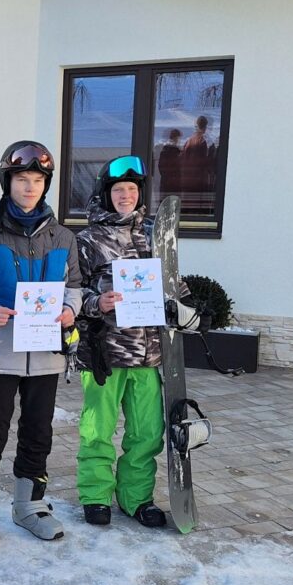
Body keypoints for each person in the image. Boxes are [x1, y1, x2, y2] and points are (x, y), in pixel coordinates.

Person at [74, 155, 206, 528]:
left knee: (147, 433)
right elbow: (72, 292)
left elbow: (171, 283)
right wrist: (97, 302)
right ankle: (96, 495)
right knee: (98, 430)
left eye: (132, 189)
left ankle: (136, 497)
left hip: (149, 355)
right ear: (106, 194)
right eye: (119, 189)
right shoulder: (87, 240)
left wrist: (187, 305)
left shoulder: (154, 234)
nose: (126, 196)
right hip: (105, 352)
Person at [0, 141, 82, 549]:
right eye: (21, 179)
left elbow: (75, 285)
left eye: (37, 180)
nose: (29, 187)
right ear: (7, 182)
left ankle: (29, 505)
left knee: (38, 430)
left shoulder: (63, 237)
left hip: (45, 353)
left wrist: (69, 310)